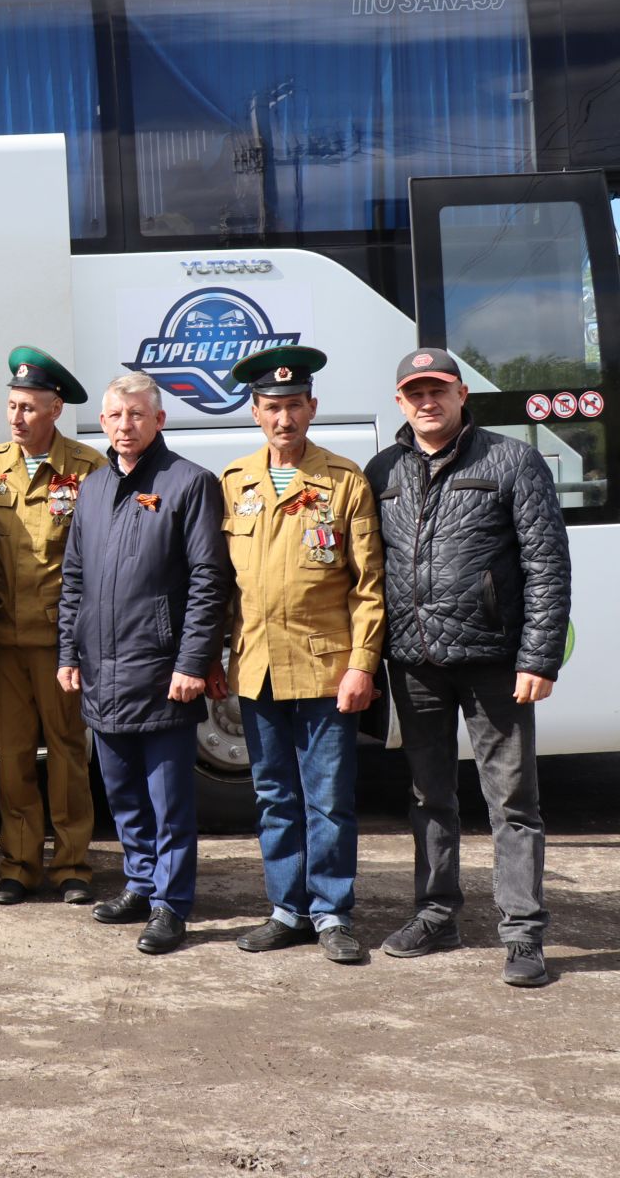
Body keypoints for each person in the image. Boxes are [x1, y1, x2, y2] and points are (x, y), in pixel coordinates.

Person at [365, 347, 569, 987]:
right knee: (429, 795)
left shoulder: (511, 460)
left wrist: (538, 656)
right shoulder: (383, 470)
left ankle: (523, 934)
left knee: (512, 799)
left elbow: (546, 565)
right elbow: (368, 573)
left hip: (493, 663)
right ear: (400, 402)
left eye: (439, 390)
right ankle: (435, 913)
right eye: (414, 392)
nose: (427, 402)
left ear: (462, 397)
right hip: (414, 663)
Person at [210, 348, 383, 965]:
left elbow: (369, 586)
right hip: (256, 668)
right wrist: (211, 658)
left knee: (328, 796)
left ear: (312, 407)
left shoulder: (344, 481)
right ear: (255, 413)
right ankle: (287, 910)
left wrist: (363, 664)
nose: (284, 418)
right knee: (275, 796)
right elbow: (220, 587)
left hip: (325, 668)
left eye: (294, 406)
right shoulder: (235, 484)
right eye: (272, 408)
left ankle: (332, 912)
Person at [58, 373, 226, 954]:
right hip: (102, 670)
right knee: (122, 791)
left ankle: (170, 904)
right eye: (114, 417)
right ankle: (139, 882)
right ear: (101, 423)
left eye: (135, 415)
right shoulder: (94, 488)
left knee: (168, 799)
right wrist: (68, 651)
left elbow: (209, 581)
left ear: (159, 420)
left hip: (161, 673)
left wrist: (192, 661)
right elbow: (74, 578)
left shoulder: (189, 484)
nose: (124, 426)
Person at [0, 347, 107, 907]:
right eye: (11, 406)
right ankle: (18, 866)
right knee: (13, 757)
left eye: (28, 407)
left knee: (68, 752)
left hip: (60, 644)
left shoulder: (89, 471)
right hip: (0, 643)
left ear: (55, 409)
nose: (16, 417)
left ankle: (72, 864)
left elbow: (100, 559)